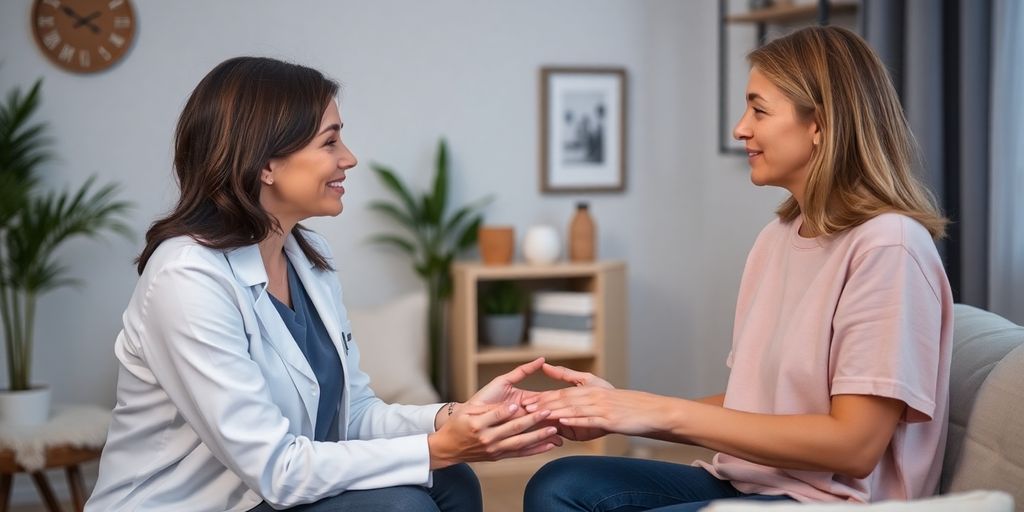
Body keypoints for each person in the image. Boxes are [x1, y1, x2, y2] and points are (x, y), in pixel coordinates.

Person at [86, 57, 561, 512]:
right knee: (402, 503)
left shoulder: (309, 259)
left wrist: (454, 418)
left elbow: (351, 416)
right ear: (264, 164)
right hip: (198, 504)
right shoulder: (186, 277)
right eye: (329, 142)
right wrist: (437, 448)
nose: (349, 159)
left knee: (448, 478)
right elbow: (274, 467)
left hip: (268, 497)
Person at [523, 26, 953, 511]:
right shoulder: (777, 240)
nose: (740, 128)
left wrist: (650, 411)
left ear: (821, 124)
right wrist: (617, 409)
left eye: (759, 109)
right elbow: (756, 408)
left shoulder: (888, 247)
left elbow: (853, 445)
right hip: (753, 483)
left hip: (829, 502)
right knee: (560, 483)